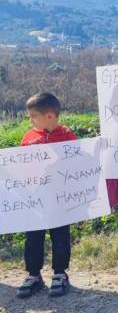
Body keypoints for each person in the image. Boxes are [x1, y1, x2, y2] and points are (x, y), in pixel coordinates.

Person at [16, 92, 77, 298]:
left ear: (49, 116)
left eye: (33, 116)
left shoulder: (68, 136)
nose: (30, 120)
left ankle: (60, 273)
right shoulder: (28, 138)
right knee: (33, 236)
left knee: (60, 236)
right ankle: (33, 275)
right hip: (35, 199)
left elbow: (78, 166)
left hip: (60, 199)